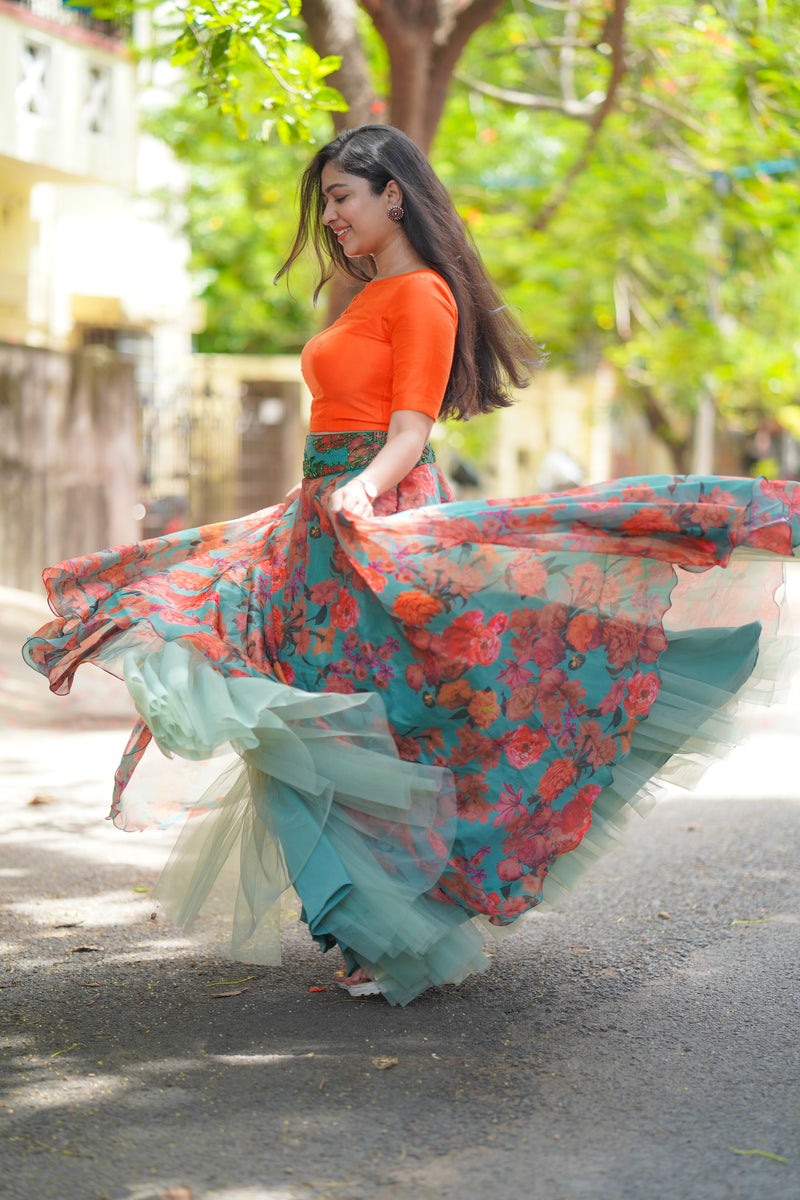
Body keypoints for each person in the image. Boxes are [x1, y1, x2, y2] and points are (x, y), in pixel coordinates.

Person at [24, 125, 800, 1006]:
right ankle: (362, 922)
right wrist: (323, 499)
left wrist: (361, 492)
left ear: (393, 195)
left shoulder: (423, 295)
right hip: (317, 522)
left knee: (373, 715)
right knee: (287, 704)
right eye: (326, 204)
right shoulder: (365, 298)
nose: (332, 219)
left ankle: (381, 925)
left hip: (379, 517)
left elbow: (410, 429)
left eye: (343, 198)